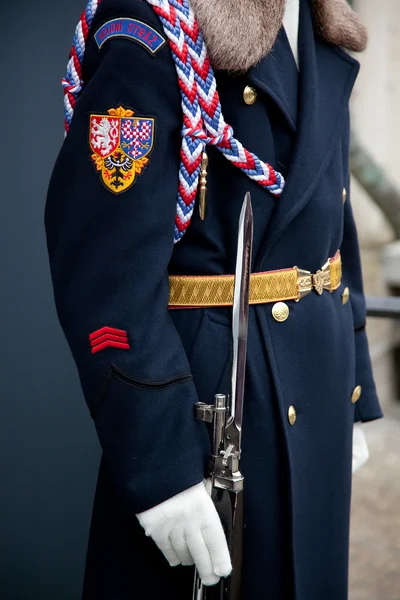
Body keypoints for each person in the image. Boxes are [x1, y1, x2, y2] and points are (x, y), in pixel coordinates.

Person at [45, 0, 382, 598]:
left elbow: (331, 219)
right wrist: (162, 470)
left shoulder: (318, 16)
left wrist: (352, 382)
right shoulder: (153, 27)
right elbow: (104, 269)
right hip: (213, 405)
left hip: (317, 383)